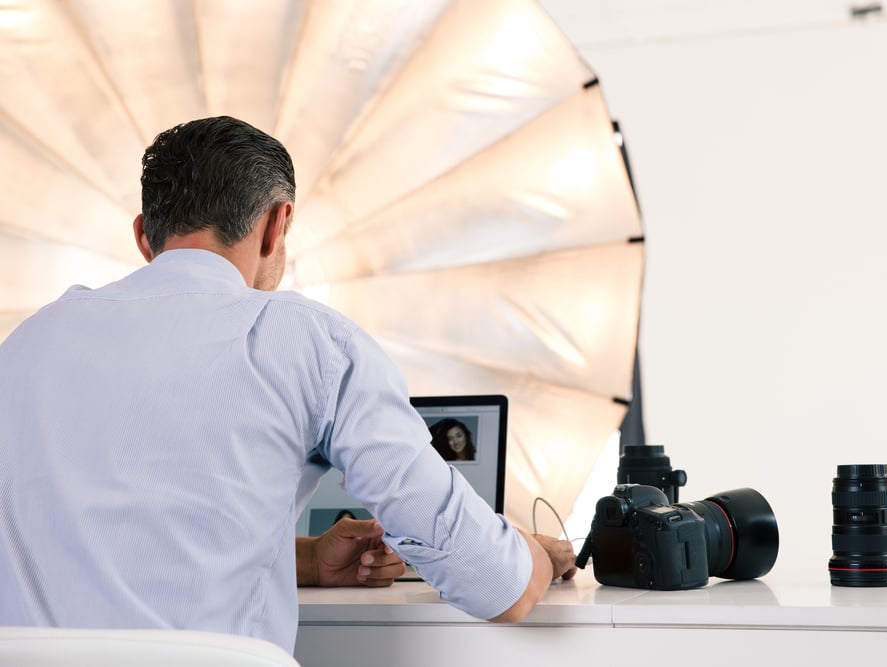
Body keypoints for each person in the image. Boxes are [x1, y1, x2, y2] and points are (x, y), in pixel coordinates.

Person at [0, 116, 576, 654]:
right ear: (278, 225)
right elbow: (497, 584)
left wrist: (307, 561)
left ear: (143, 237)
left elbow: (102, 540)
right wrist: (538, 559)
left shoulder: (25, 344)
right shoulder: (304, 341)